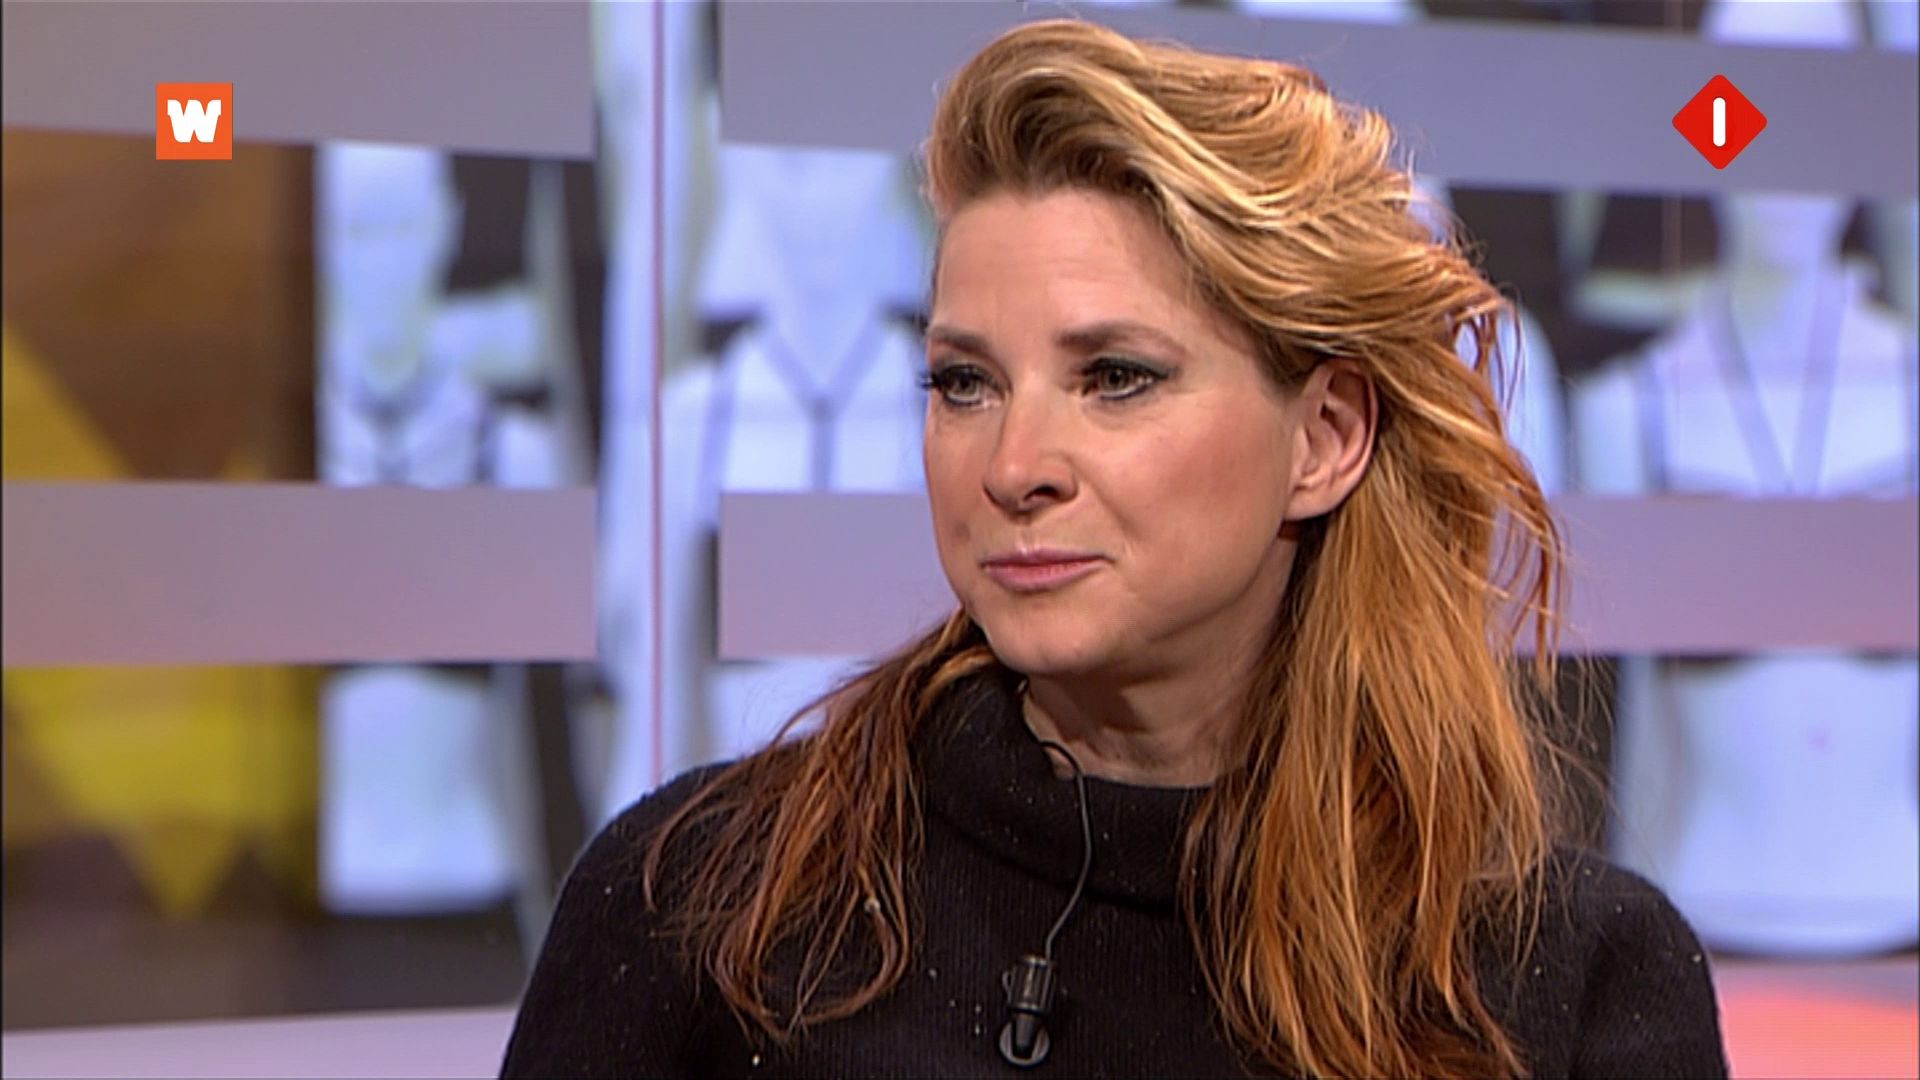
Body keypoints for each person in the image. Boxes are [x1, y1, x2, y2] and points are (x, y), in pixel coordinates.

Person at [501, 19, 1728, 1078]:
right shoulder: (696, 907)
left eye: (1116, 378)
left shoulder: (1570, 985)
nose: (1012, 464)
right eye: (965, 382)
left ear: (1325, 438)